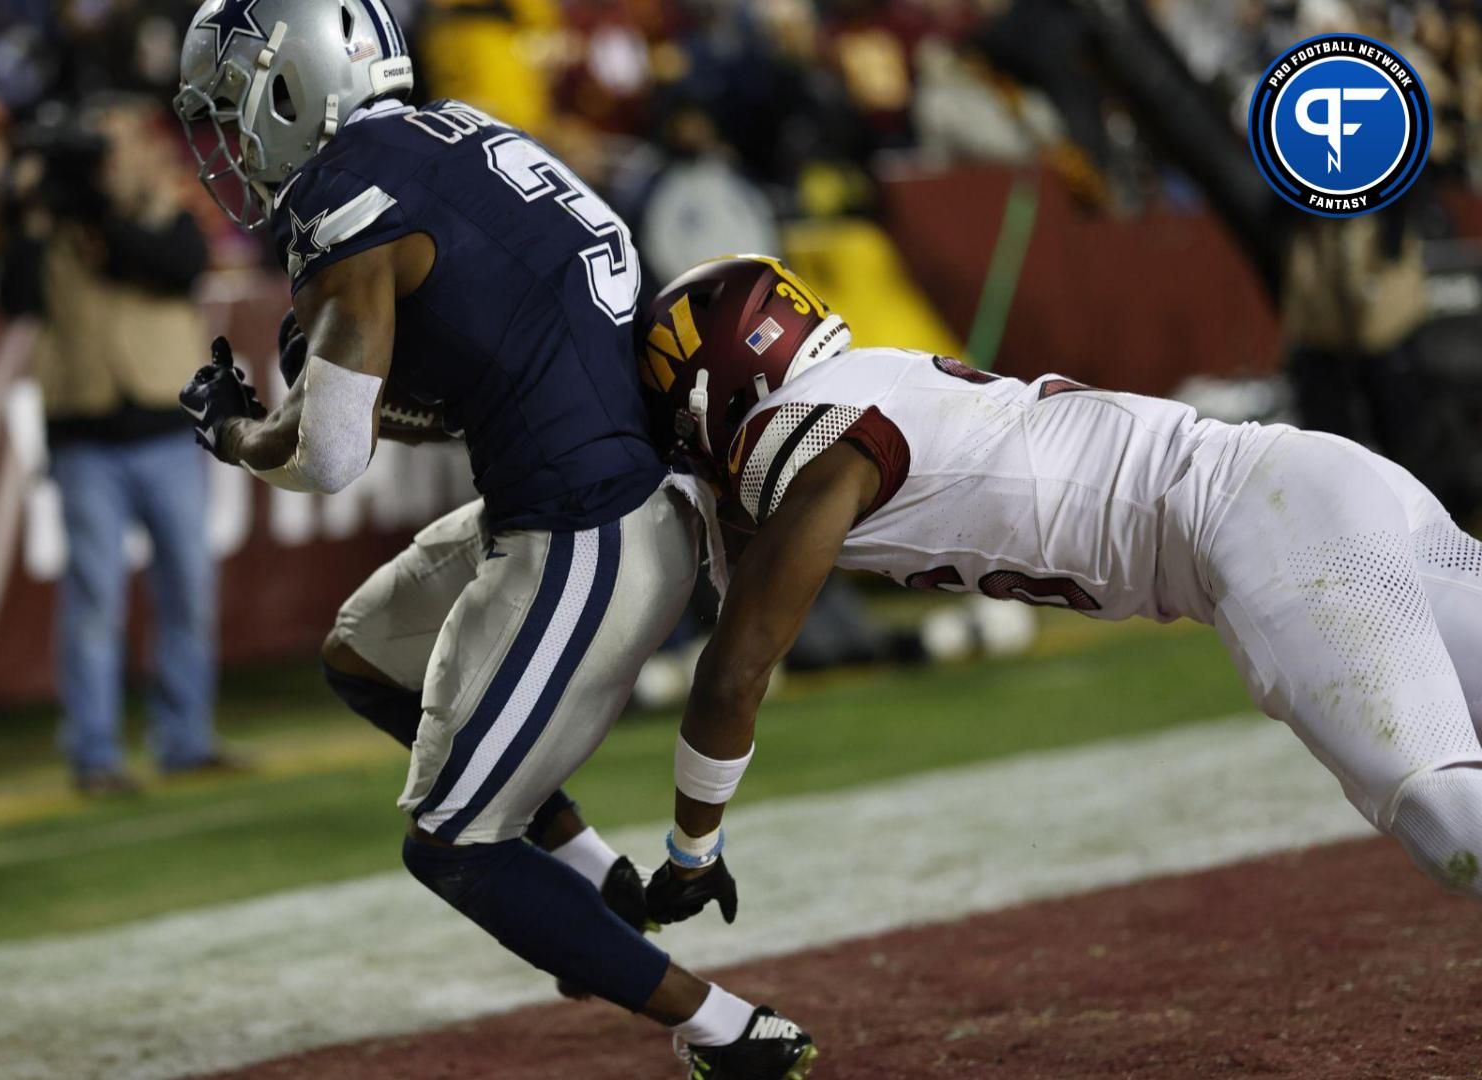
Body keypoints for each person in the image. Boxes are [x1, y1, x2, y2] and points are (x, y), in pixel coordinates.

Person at [171, 2, 815, 1076]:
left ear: (294, 87)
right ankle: (600, 881)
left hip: (590, 529)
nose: (234, 139)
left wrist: (235, 430)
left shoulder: (345, 190)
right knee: (365, 655)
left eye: (238, 105)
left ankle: (729, 1032)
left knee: (453, 844)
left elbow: (329, 456)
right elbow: (480, 356)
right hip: (593, 491)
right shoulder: (457, 131)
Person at [631, 256, 1482, 936]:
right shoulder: (870, 383)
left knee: (1453, 830)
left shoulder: (812, 439)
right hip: (1313, 480)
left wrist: (690, 850)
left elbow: (735, 671)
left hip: (1265, 528)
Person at [0, 96, 227, 795]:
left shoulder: (168, 212)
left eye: (118, 148)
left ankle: (185, 737)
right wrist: (26, 214)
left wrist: (96, 212)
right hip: (85, 435)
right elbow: (12, 297)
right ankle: (94, 753)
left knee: (188, 586)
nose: (109, 162)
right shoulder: (52, 224)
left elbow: (175, 265)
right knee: (95, 597)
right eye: (99, 151)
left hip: (164, 426)